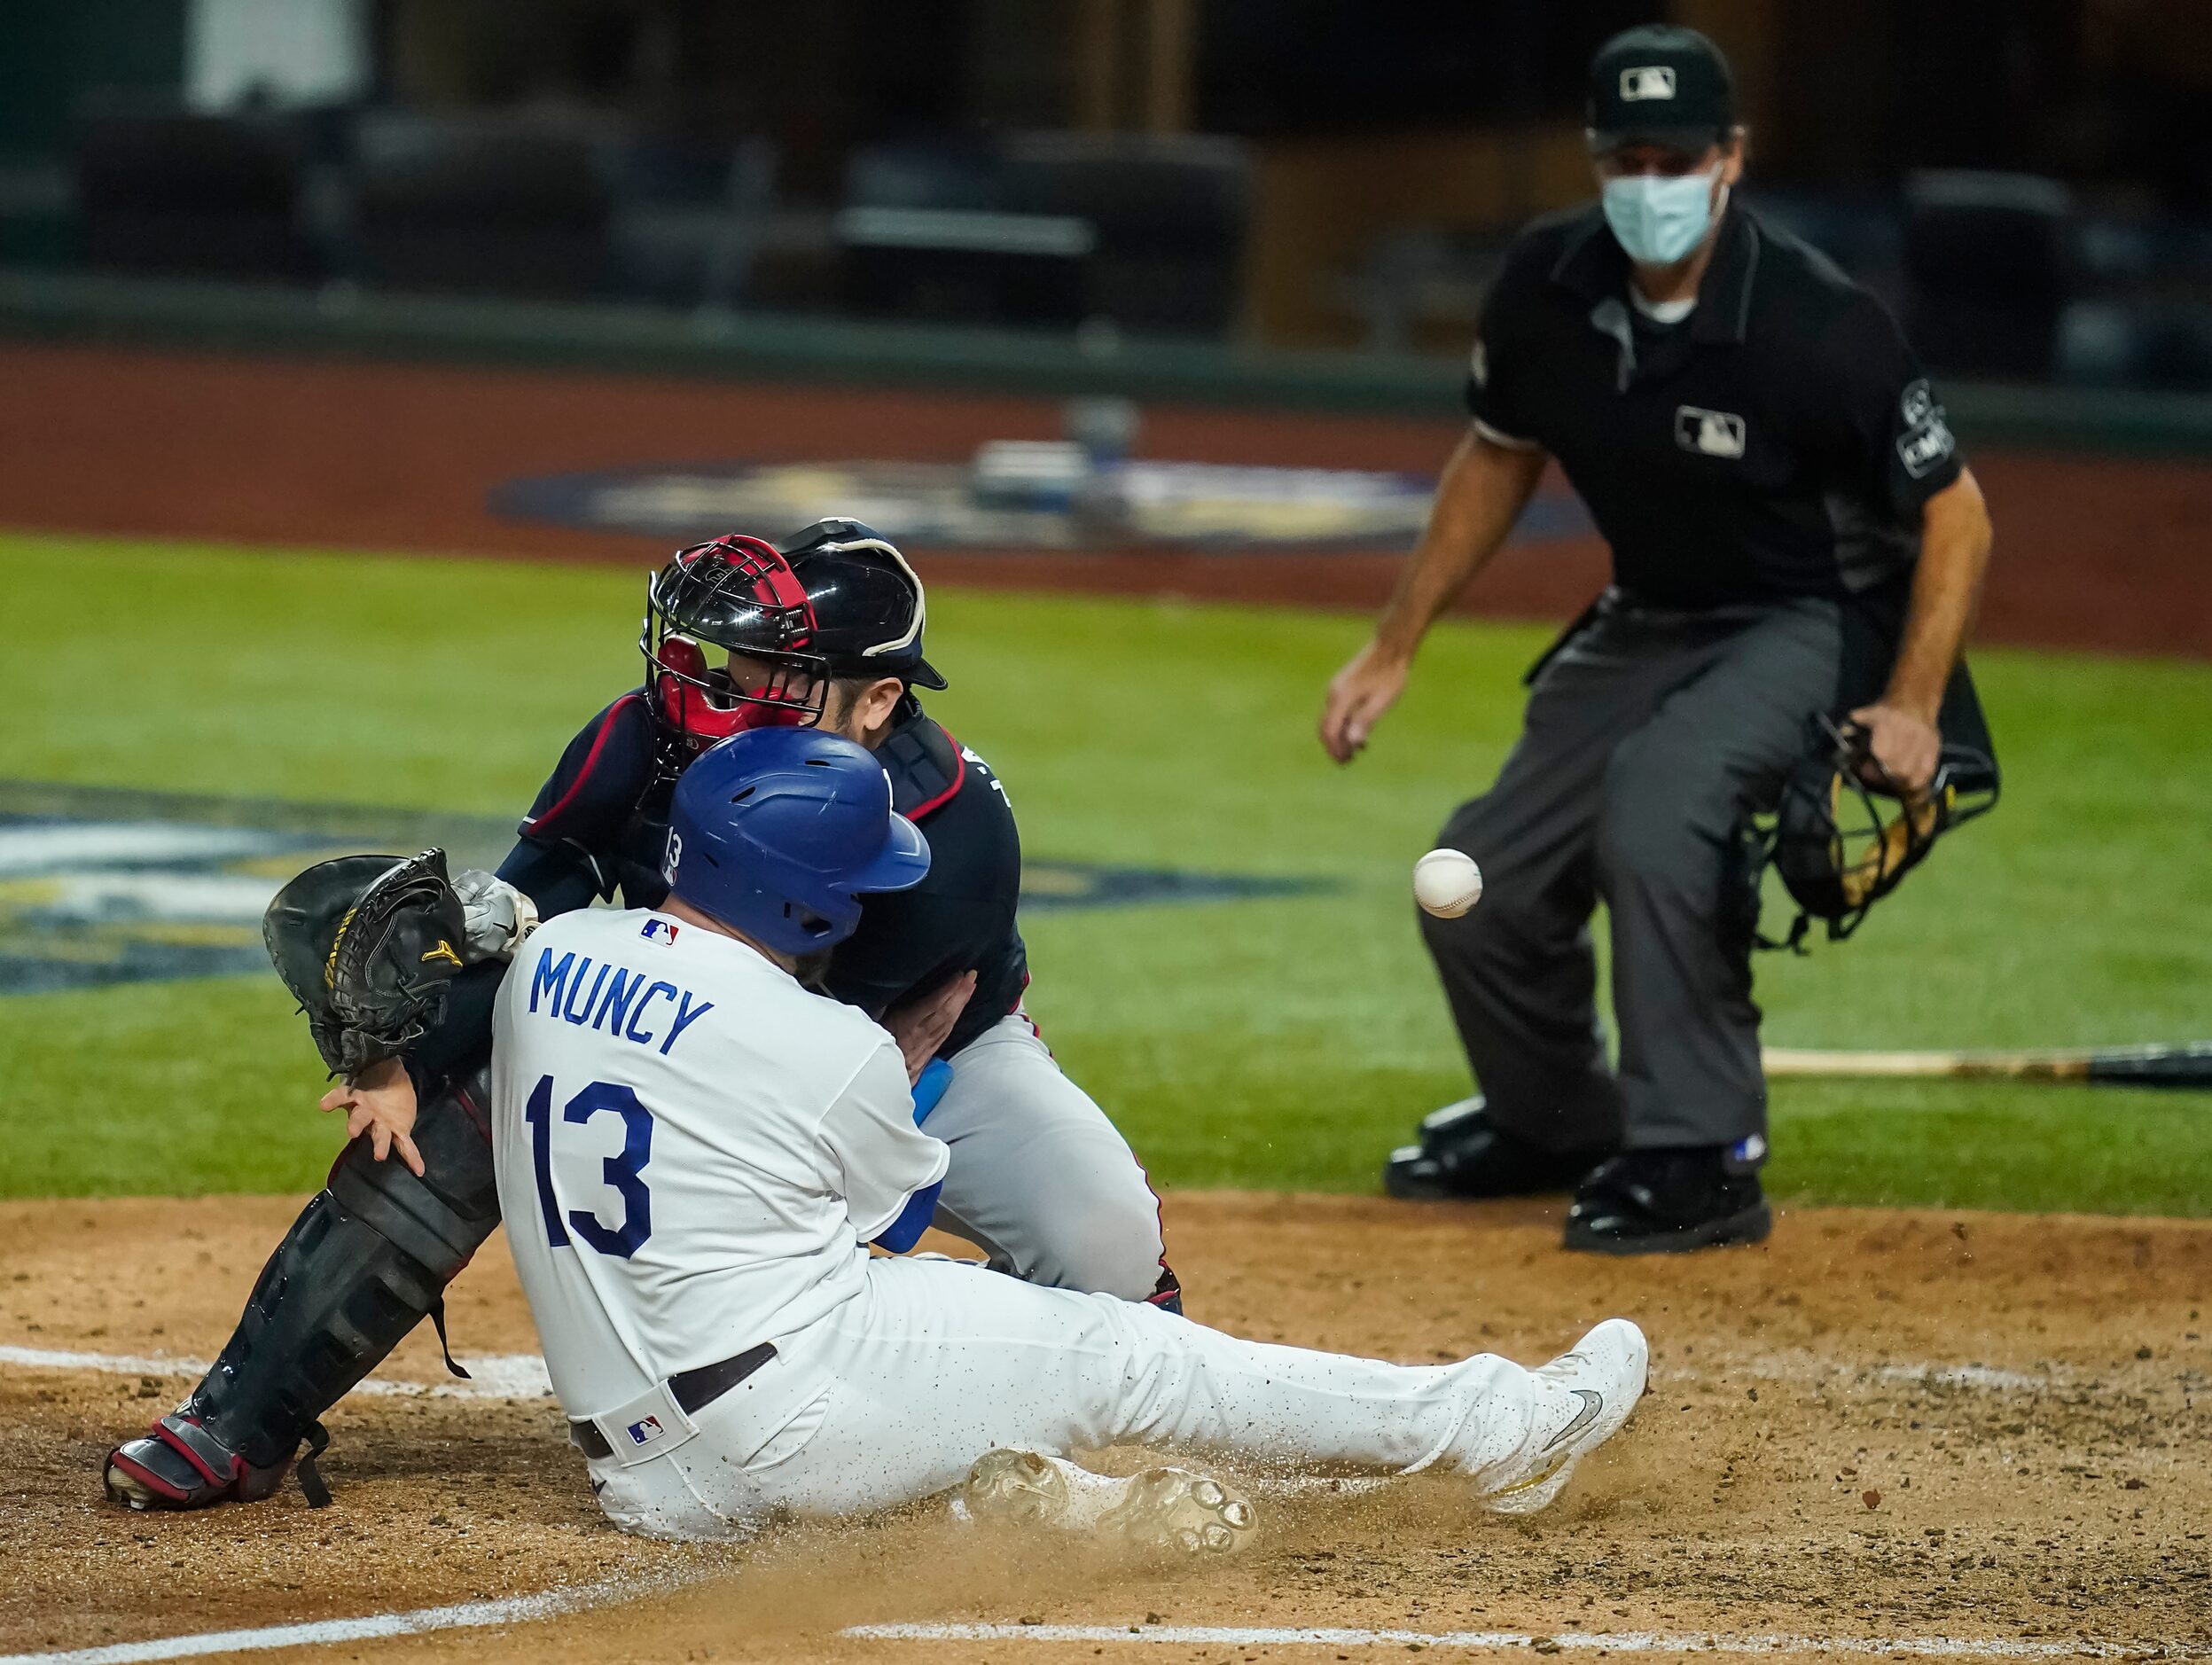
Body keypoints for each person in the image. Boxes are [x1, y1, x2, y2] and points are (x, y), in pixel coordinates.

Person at [104, 522, 1175, 1513]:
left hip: (920, 1055)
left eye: (778, 676)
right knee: (443, 1134)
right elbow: (529, 913)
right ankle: (241, 1418)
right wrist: (407, 1057)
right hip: (673, 1017)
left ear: (876, 701)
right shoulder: (644, 738)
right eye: (734, 660)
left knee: (1106, 1247)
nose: (727, 692)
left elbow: (854, 1056)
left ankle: (994, 1369)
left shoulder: (949, 831)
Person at [498, 723, 1649, 1546]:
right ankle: (1503, 1431)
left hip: (644, 1480)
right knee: (1132, 1356)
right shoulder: (824, 1043)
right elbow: (887, 1223)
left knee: (918, 1346)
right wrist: (902, 1052)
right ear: (800, 901)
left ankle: (1019, 1502)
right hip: (788, 1427)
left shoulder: (543, 960)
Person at [1318, 26, 1996, 1254]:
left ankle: (1699, 1149)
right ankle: (1555, 1117)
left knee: (1657, 809)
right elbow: (1497, 454)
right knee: (1480, 880)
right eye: (1624, 155)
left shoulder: (1813, 323)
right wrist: (1391, 643)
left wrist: (1909, 700)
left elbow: (1954, 515)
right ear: (1592, 162)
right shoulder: (1545, 287)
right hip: (1650, 621)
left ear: (1728, 158)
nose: (1648, 182)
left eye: (1672, 156)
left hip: (1811, 617)